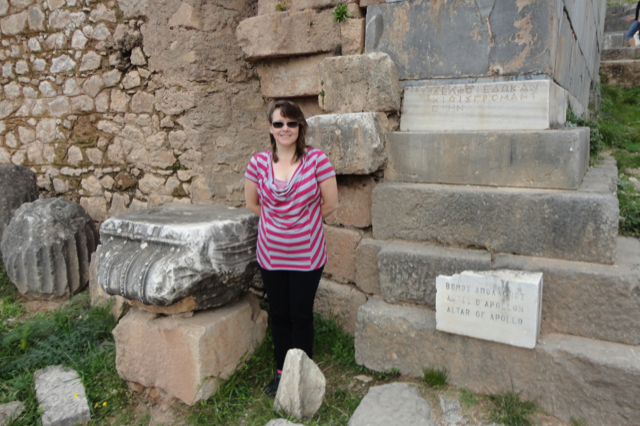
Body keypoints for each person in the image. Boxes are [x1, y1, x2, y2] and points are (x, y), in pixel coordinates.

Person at [244, 100, 338, 397]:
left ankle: (302, 374)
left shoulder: (317, 160)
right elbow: (252, 204)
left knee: (301, 316)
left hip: (307, 256)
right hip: (271, 254)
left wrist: (301, 226)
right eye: (278, 123)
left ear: (300, 127)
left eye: (291, 123)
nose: (285, 129)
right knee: (280, 315)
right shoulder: (258, 163)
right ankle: (282, 372)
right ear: (270, 128)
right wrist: (280, 226)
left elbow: (331, 203)